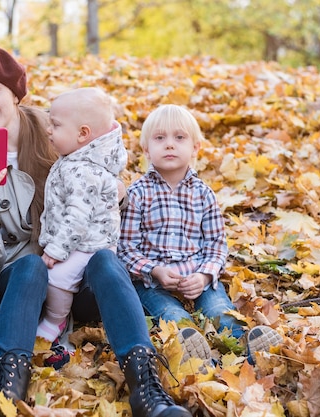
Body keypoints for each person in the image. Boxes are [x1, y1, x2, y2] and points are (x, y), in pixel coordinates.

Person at [0, 47, 191, 417]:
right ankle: (4, 392)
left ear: (14, 92)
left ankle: (148, 392)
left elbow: (107, 170)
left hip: (77, 282)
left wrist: (115, 192)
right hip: (20, 289)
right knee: (31, 266)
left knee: (106, 259)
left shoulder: (61, 132)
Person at [117, 104, 283, 364]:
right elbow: (126, 248)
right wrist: (154, 270)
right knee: (171, 316)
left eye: (179, 138)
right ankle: (197, 357)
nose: (169, 145)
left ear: (195, 148)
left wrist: (205, 275)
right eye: (160, 138)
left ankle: (253, 352)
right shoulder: (137, 193)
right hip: (153, 282)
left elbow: (216, 244)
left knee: (219, 311)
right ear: (147, 150)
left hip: (197, 275)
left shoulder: (203, 193)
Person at [36, 87, 127, 349]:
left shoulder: (81, 170)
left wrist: (56, 250)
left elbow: (77, 218)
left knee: (57, 277)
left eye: (55, 125)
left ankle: (56, 320)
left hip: (90, 242)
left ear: (83, 134)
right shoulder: (76, 158)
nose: (48, 130)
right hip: (85, 238)